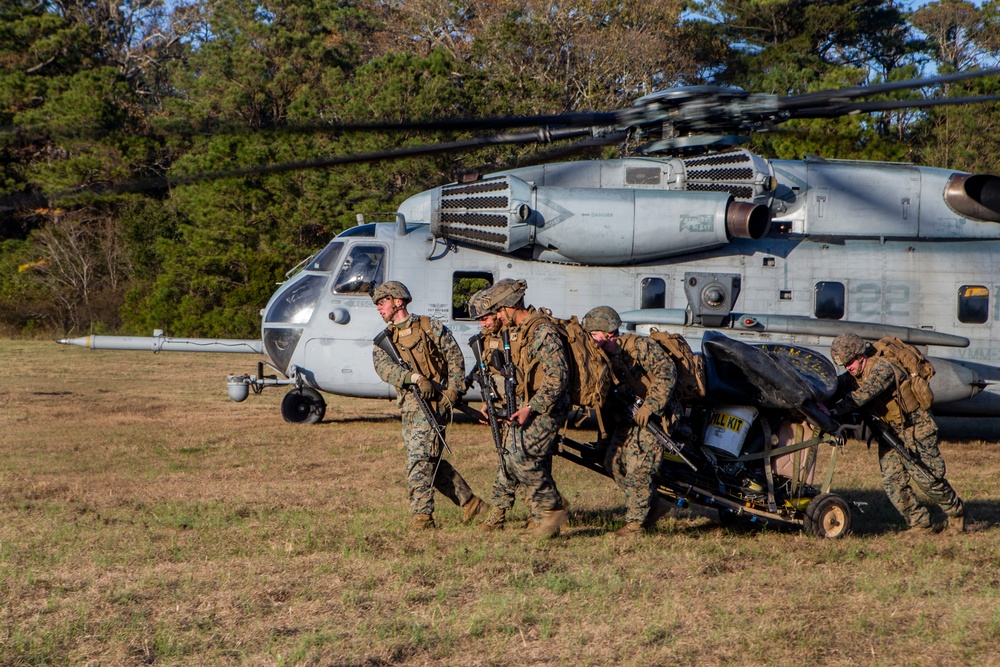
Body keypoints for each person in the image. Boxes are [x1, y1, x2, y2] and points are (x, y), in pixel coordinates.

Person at [371, 281, 485, 529]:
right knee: (428, 459)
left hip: (434, 405)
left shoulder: (429, 326)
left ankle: (422, 517)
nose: (379, 309)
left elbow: (453, 356)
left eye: (382, 302)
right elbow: (384, 368)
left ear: (398, 301)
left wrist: (453, 390)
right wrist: (413, 378)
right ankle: (470, 503)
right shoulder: (385, 340)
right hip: (410, 407)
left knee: (419, 459)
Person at [829, 332, 966, 535]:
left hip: (916, 426)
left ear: (860, 357)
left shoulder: (883, 368)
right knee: (892, 480)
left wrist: (832, 411)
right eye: (845, 365)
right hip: (890, 430)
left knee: (926, 476)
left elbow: (860, 397)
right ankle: (919, 523)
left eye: (850, 363)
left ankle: (956, 513)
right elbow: (835, 387)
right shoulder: (853, 375)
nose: (848, 368)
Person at [472, 278, 571, 538]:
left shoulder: (541, 331)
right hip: (528, 404)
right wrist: (491, 401)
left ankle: (553, 508)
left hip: (549, 405)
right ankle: (542, 521)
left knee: (521, 457)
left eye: (498, 310)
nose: (495, 316)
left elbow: (558, 377)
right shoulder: (517, 331)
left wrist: (531, 407)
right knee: (514, 454)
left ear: (510, 305)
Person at [583, 306, 677, 535]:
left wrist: (650, 406)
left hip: (656, 417)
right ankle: (653, 504)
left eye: (594, 334)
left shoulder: (639, 346)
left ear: (610, 334)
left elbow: (668, 372)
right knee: (611, 462)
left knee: (638, 469)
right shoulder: (603, 357)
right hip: (628, 417)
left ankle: (635, 524)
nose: (590, 340)